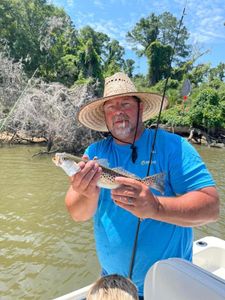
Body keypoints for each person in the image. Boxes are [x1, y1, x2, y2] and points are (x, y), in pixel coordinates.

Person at [65, 72, 219, 299]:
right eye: (110, 107)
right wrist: (85, 193)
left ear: (140, 108)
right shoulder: (94, 154)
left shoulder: (174, 146)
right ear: (105, 116)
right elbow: (77, 214)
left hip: (169, 283)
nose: (118, 111)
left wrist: (155, 207)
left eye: (125, 103)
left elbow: (211, 208)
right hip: (114, 284)